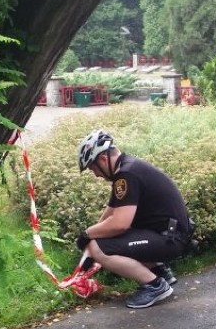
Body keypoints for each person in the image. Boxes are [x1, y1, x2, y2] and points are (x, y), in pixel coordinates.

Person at [75, 129, 193, 308]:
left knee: (98, 247)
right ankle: (159, 270)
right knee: (98, 243)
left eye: (93, 168)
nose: (96, 175)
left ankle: (155, 286)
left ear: (103, 160)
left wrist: (88, 236)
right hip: (167, 233)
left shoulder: (126, 174)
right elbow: (111, 211)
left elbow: (119, 224)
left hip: (170, 238)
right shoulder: (126, 168)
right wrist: (91, 236)